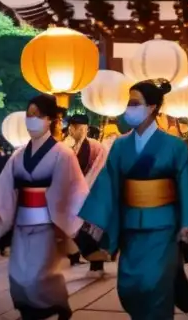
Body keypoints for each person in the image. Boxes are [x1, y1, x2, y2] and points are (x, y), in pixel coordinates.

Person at [77, 80, 188, 319]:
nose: (129, 108)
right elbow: (107, 187)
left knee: (156, 285)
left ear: (152, 107)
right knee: (130, 287)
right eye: (128, 103)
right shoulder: (120, 146)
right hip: (131, 227)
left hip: (164, 227)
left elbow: (187, 186)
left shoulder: (174, 146)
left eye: (135, 103)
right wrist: (93, 225)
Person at [0, 94, 88, 320]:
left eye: (37, 116)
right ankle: (50, 305)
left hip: (48, 223)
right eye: (29, 116)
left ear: (50, 119)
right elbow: (5, 187)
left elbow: (73, 188)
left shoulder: (62, 153)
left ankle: (43, 309)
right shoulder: (18, 155)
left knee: (39, 274)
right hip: (22, 221)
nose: (32, 120)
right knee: (18, 273)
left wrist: (64, 223)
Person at [65, 112, 108, 275]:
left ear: (80, 128)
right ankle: (94, 263)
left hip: (91, 194)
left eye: (73, 127)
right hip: (82, 195)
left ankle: (96, 265)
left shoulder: (92, 146)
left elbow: (81, 170)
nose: (70, 131)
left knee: (87, 231)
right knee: (81, 231)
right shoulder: (75, 146)